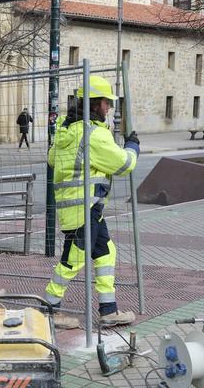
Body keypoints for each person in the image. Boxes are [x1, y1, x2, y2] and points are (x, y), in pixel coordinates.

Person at [44, 75, 140, 329]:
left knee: (106, 252)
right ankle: (48, 310)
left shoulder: (66, 130)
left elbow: (52, 159)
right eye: (106, 102)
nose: (109, 108)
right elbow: (124, 164)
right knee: (72, 260)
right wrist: (133, 146)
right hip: (84, 209)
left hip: (80, 208)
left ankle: (109, 310)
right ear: (95, 103)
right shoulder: (94, 135)